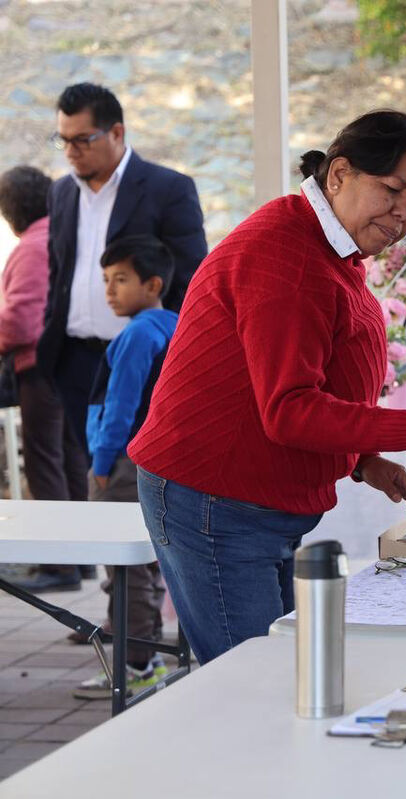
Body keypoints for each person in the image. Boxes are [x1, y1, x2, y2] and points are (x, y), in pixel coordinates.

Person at [127, 110, 406, 664]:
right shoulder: (287, 254)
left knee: (284, 670)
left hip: (246, 500)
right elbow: (289, 409)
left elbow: (297, 380)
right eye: (393, 191)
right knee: (255, 681)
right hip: (216, 498)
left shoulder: (325, 244)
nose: (402, 215)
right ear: (339, 174)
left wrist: (364, 458)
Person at [31, 82, 207, 592]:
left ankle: (142, 625)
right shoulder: (61, 190)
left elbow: (193, 279)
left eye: (82, 139)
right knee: (97, 484)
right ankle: (118, 610)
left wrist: (168, 348)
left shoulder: (167, 188)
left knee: (141, 491)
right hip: (77, 361)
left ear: (117, 132)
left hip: (145, 363)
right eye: (61, 139)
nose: (70, 151)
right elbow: (60, 270)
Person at [70, 235, 176, 699]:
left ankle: (136, 664)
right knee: (145, 563)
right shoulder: (174, 325)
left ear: (152, 284)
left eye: (121, 280)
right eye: (106, 280)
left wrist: (101, 461)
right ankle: (141, 656)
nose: (110, 290)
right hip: (159, 461)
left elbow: (120, 405)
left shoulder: (137, 334)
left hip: (122, 464)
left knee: (124, 566)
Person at [0, 165, 91, 592]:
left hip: (41, 367)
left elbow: (20, 320)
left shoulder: (34, 244)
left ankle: (59, 565)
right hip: (72, 366)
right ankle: (85, 556)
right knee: (72, 459)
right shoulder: (65, 234)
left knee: (45, 461)